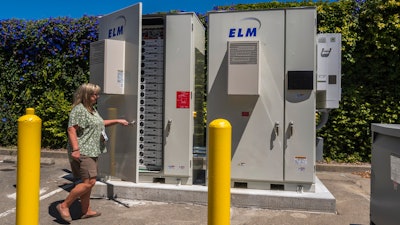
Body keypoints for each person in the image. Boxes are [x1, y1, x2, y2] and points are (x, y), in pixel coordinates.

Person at [56, 83, 129, 222]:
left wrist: (117, 121)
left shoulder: (92, 110)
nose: (97, 96)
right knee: (90, 182)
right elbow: (71, 130)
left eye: (97, 94)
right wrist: (76, 150)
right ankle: (64, 205)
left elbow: (100, 123)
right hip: (83, 150)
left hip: (92, 150)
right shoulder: (79, 110)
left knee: (86, 181)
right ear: (86, 95)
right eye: (94, 94)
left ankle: (86, 210)